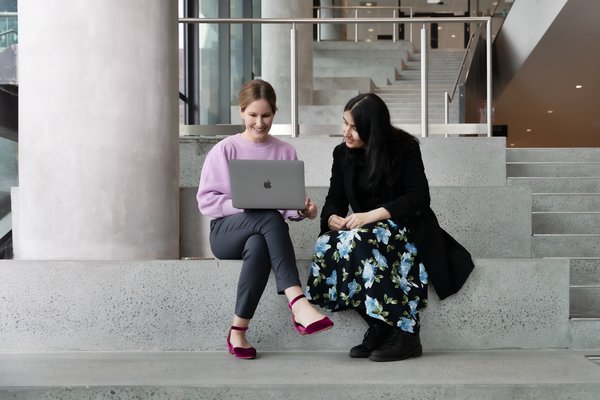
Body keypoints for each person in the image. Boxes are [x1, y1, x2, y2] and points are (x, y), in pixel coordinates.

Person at [305, 93, 474, 362]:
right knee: (328, 243)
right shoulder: (342, 153)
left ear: (373, 128)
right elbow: (334, 198)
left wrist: (372, 215)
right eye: (344, 123)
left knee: (360, 241)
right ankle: (380, 325)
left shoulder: (404, 148)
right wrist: (332, 217)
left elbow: (419, 197)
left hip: (406, 227)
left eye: (355, 127)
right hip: (365, 231)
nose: (346, 132)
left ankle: (407, 333)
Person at [197, 79, 334, 360]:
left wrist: (302, 211)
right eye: (253, 115)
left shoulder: (285, 151)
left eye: (266, 116)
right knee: (266, 216)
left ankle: (238, 330)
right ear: (241, 112)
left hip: (261, 231)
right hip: (226, 233)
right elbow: (206, 201)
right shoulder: (225, 149)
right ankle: (297, 300)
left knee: (260, 244)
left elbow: (288, 205)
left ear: (274, 113)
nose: (260, 123)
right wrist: (245, 205)